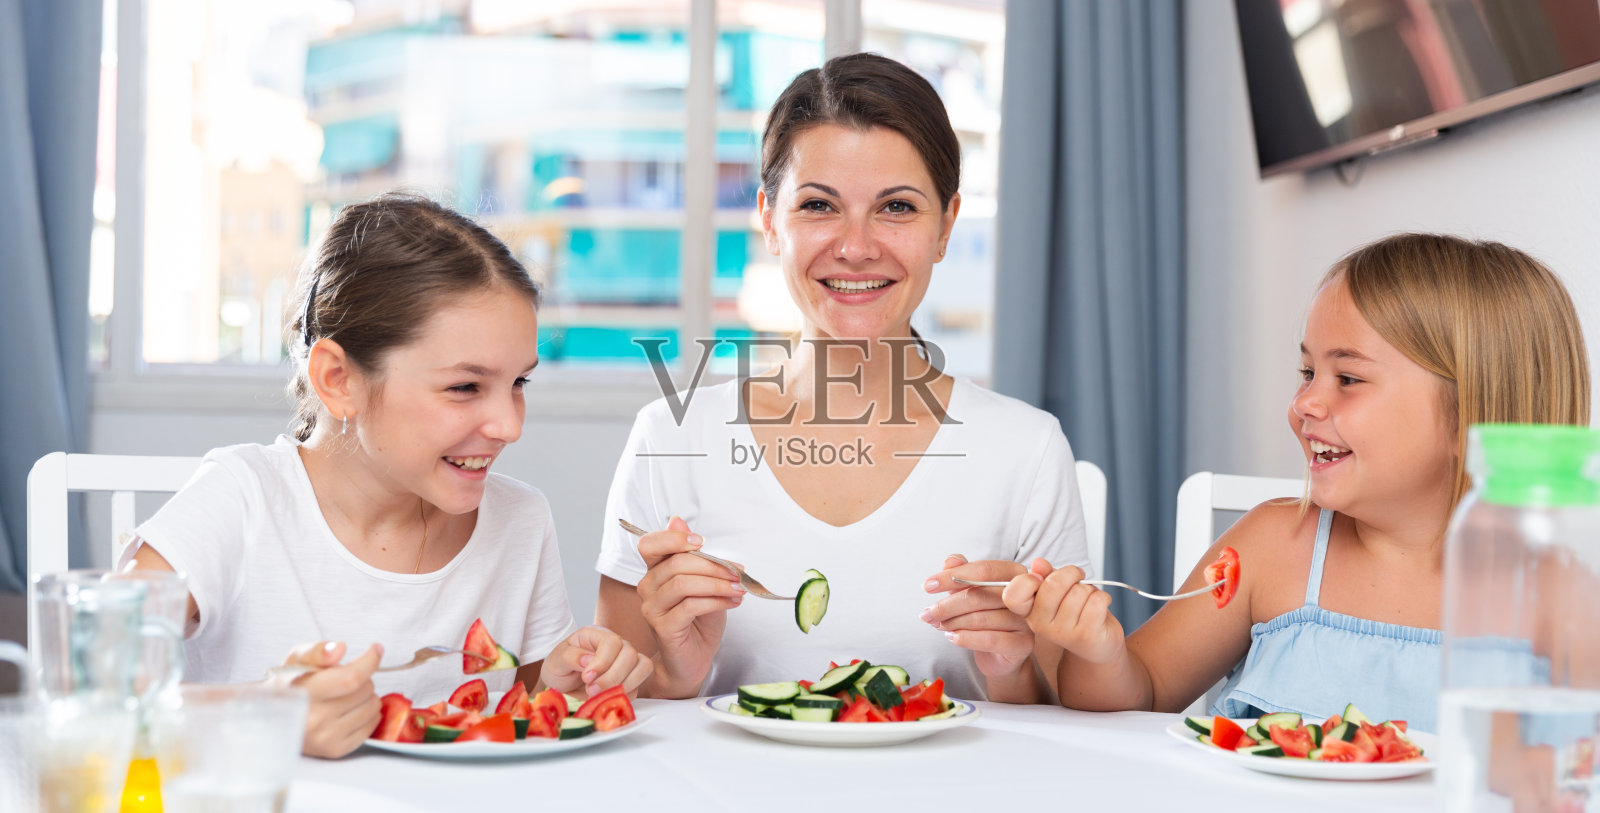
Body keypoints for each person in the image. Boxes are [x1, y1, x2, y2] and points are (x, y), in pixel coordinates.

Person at [594, 53, 1090, 704]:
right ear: (770, 219)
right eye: (820, 205)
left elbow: (1065, 730)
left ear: (945, 225)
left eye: (897, 208)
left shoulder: (1026, 451)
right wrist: (678, 672)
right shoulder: (670, 438)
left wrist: (1011, 671)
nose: (856, 247)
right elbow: (610, 706)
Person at [121, 193, 651, 757]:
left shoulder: (520, 520)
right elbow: (89, 674)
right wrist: (268, 711)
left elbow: (516, 714)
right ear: (338, 379)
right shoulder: (242, 498)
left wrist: (561, 688)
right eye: (464, 387)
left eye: (519, 383)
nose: (508, 426)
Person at [1002, 233, 1590, 730]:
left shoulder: (1563, 600)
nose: (1306, 402)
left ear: (1476, 418)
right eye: (1309, 372)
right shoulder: (1273, 547)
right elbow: (1143, 693)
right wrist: (1099, 652)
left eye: (1349, 379)